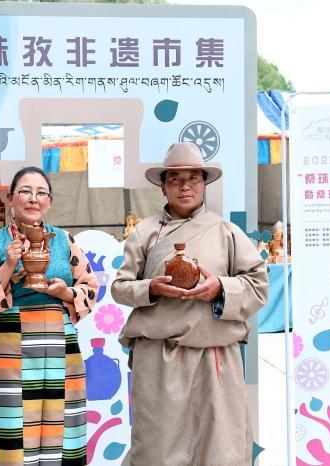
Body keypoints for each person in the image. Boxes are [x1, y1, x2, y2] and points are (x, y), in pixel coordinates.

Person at [111, 142, 269, 466]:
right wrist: (151, 288)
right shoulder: (144, 233)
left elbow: (258, 284)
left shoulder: (226, 231)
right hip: (159, 357)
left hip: (215, 356)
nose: (185, 186)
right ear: (163, 186)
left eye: (193, 178)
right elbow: (120, 288)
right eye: (175, 179)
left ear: (204, 183)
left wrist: (220, 288)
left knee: (220, 450)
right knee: (157, 450)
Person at [0, 166, 99, 466]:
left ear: (49, 201)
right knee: (9, 434)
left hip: (60, 347)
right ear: (10, 198)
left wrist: (66, 293)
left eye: (41, 193)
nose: (33, 198)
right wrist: (7, 266)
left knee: (61, 429)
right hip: (8, 351)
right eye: (25, 191)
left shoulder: (64, 241)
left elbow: (90, 287)